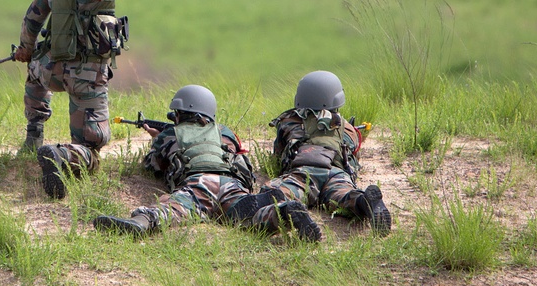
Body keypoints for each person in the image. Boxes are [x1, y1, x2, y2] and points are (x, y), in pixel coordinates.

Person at [14, 0, 161, 199]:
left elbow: (33, 17)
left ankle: (33, 136)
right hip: (85, 78)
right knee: (92, 147)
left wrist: (26, 50)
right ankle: (62, 156)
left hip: (50, 70)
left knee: (33, 69)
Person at [92, 85, 322, 241]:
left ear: (179, 114)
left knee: (175, 208)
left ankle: (142, 222)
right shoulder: (225, 132)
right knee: (248, 217)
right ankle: (282, 213)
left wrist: (160, 140)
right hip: (231, 184)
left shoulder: (172, 133)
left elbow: (152, 166)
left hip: (199, 182)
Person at [253, 70, 392, 235]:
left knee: (272, 198)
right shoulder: (347, 127)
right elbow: (353, 160)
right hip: (335, 173)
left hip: (303, 173)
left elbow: (278, 156)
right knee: (343, 196)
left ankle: (287, 211)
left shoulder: (288, 121)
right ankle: (364, 201)